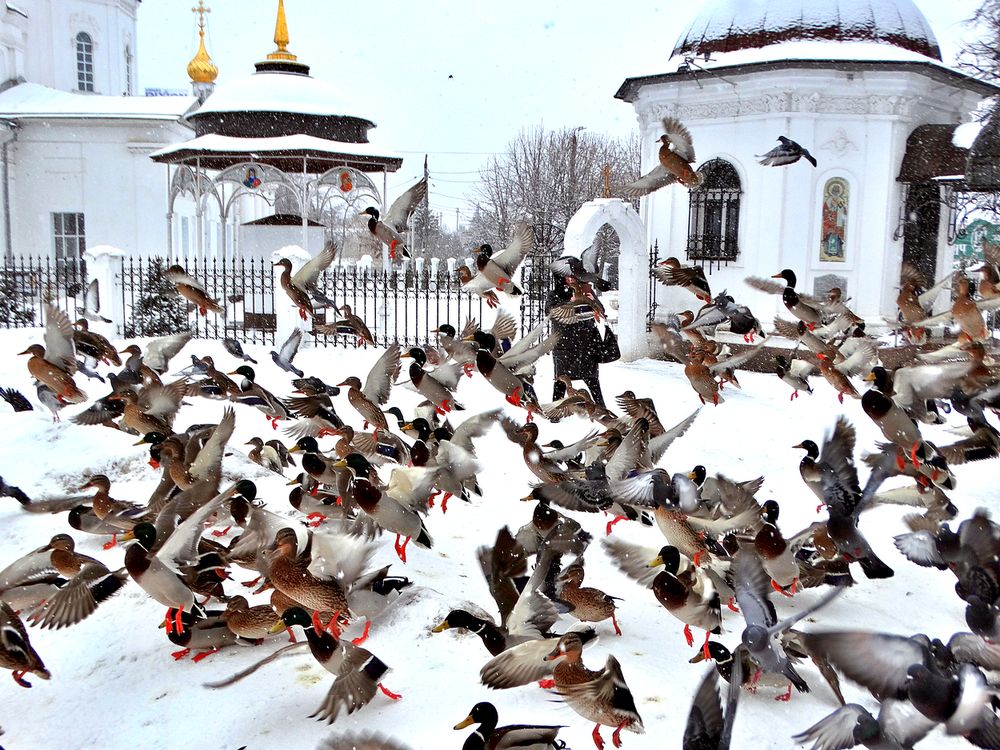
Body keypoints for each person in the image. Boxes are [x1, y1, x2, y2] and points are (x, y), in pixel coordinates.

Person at [545, 272, 606, 407]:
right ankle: (555, 411)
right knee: (561, 381)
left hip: (586, 344)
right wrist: (570, 302)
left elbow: (601, 310)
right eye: (567, 275)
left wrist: (592, 300)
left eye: (574, 275)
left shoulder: (585, 290)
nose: (572, 278)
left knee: (592, 380)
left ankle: (602, 409)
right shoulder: (555, 294)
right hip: (563, 345)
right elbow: (549, 311)